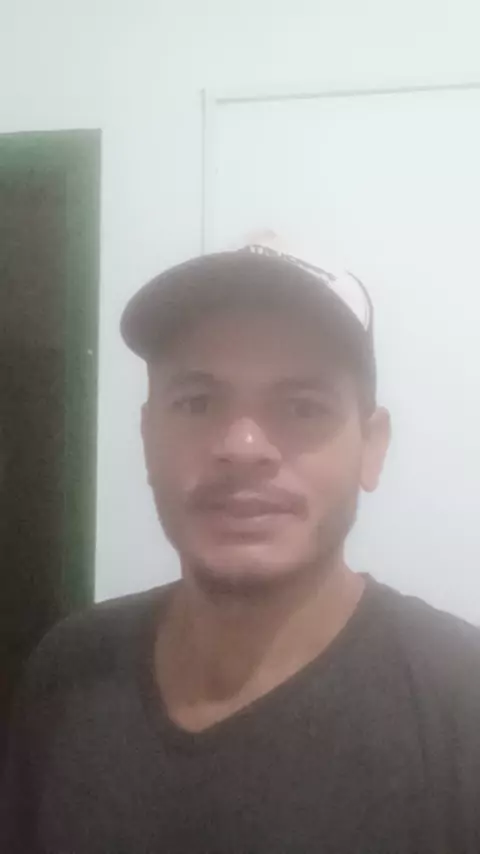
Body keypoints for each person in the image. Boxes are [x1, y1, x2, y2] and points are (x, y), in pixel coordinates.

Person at [2, 233, 480, 853]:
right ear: (146, 436)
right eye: (197, 402)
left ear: (372, 446)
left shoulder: (460, 705)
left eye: (302, 407)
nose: (242, 446)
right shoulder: (69, 669)